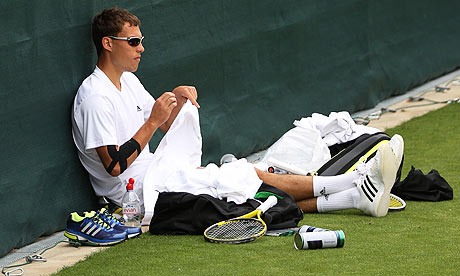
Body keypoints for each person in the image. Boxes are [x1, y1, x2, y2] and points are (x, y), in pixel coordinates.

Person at [72, 7, 404, 224]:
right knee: (243, 178)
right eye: (132, 41)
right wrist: (153, 121)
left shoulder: (128, 81)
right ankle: (354, 180)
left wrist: (178, 101)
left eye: (141, 40)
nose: (141, 48)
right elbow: (114, 165)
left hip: (161, 174)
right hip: (137, 198)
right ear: (108, 43)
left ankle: (353, 195)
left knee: (243, 193)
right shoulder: (94, 97)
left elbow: (165, 124)